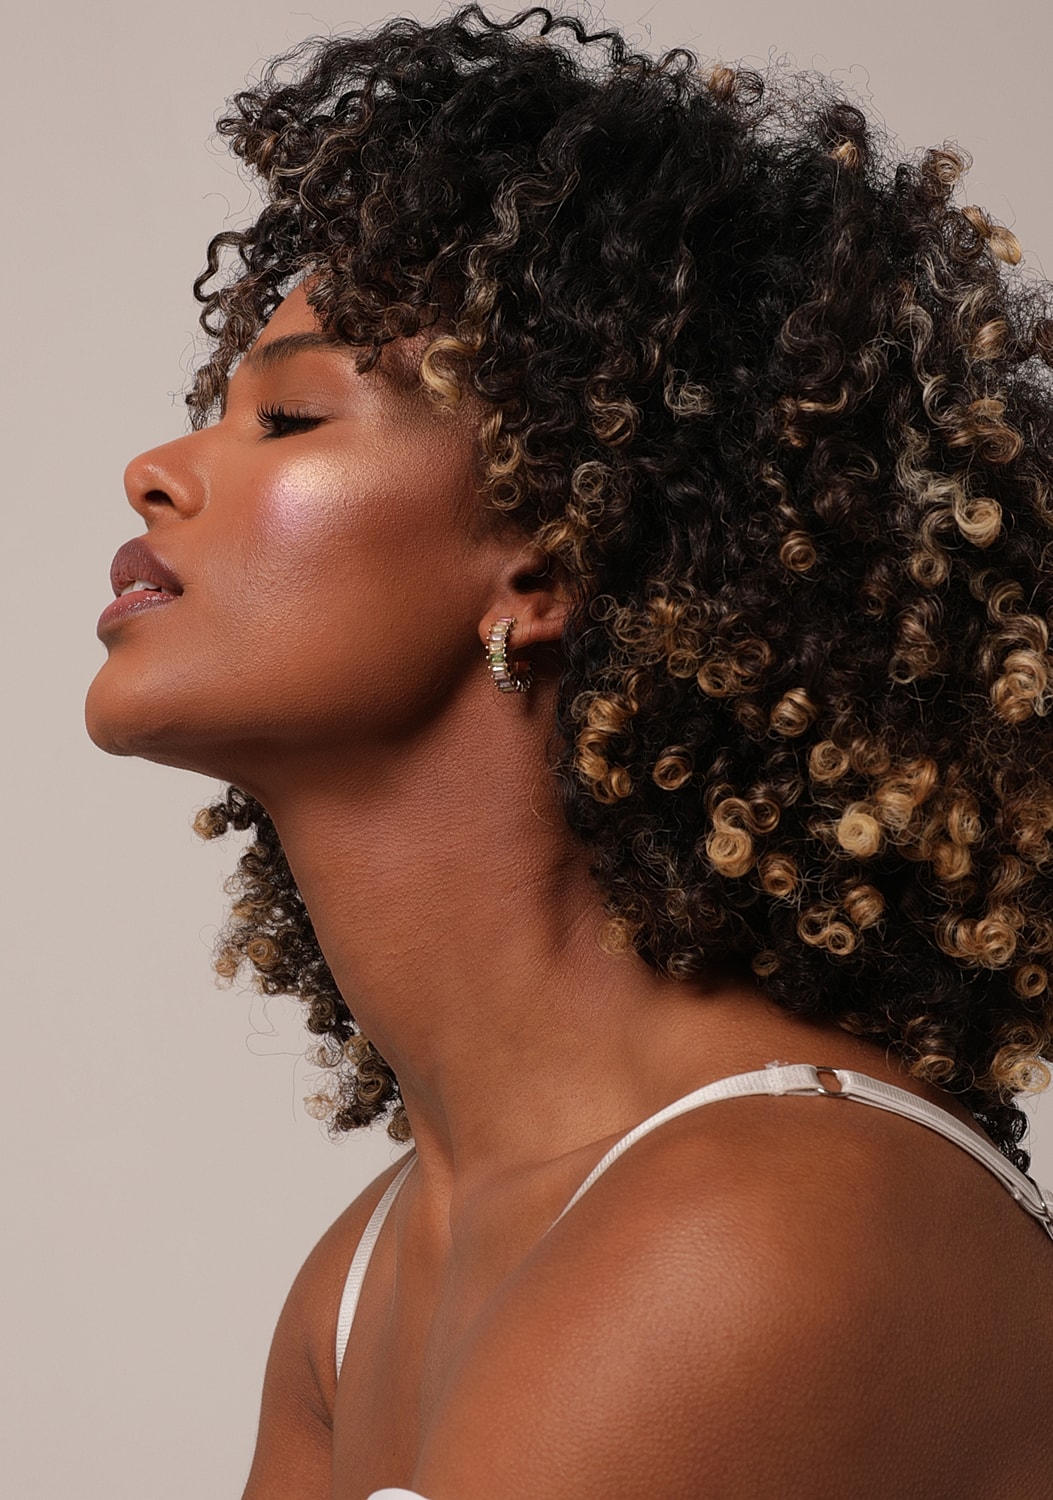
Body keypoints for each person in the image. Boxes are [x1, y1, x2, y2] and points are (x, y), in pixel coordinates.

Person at [85, 6, 1053, 1496]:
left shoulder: (759, 1219)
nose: (154, 472)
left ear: (543, 568)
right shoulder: (359, 1282)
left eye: (290, 416)